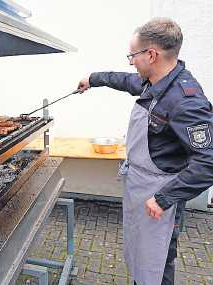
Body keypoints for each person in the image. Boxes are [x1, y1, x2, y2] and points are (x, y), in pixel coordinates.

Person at [77, 18, 213, 285]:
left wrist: (164, 198)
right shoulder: (154, 81)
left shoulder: (185, 100)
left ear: (151, 55)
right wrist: (92, 79)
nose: (130, 61)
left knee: (158, 263)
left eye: (132, 55)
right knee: (141, 255)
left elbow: (209, 161)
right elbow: (124, 80)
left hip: (159, 198)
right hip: (140, 187)